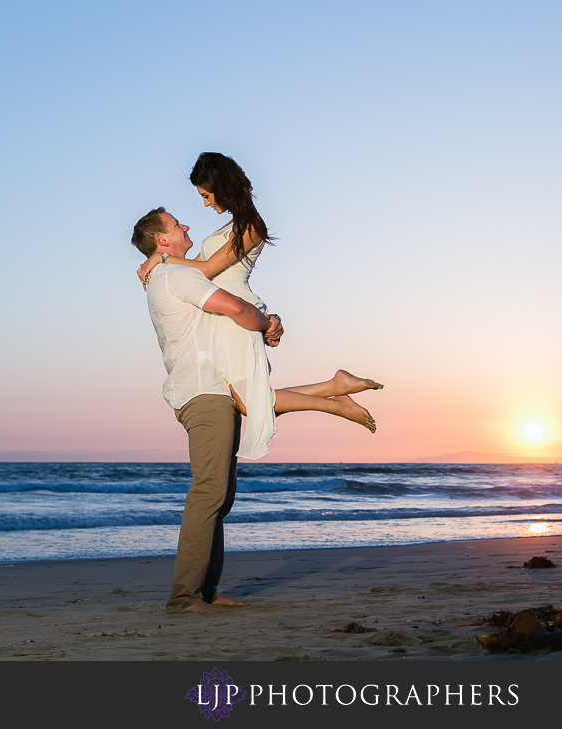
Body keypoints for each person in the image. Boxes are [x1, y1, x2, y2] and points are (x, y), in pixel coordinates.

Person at [132, 207, 380, 613]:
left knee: (221, 496)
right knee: (208, 493)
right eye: (177, 226)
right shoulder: (176, 276)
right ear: (163, 238)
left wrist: (264, 320)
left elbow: (223, 298)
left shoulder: (172, 270)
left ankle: (207, 591)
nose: (186, 225)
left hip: (214, 389)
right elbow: (234, 308)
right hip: (202, 394)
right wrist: (266, 324)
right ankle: (183, 598)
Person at [136, 153, 379, 458]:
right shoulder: (229, 226)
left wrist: (161, 258)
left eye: (207, 195)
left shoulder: (252, 225)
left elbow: (208, 269)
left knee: (248, 402)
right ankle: (335, 387)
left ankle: (335, 401)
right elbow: (195, 267)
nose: (206, 204)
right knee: (248, 398)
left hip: (237, 315)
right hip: (224, 316)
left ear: (222, 186)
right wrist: (160, 260)